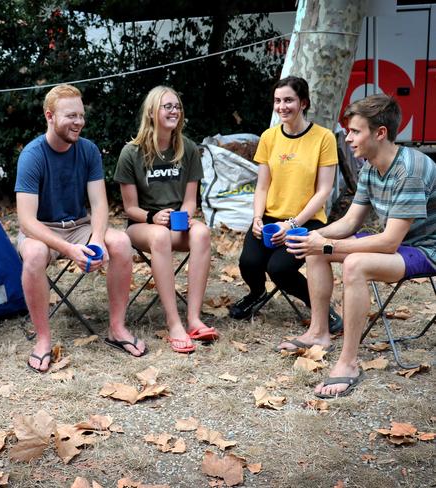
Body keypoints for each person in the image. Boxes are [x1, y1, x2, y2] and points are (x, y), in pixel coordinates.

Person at [284, 94, 436, 398]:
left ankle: (348, 362)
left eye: (355, 131)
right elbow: (351, 221)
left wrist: (328, 247)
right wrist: (313, 236)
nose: (348, 138)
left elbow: (391, 241)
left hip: (425, 249)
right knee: (318, 245)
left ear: (380, 133)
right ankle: (319, 332)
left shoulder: (410, 171)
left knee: (353, 263)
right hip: (397, 243)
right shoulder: (369, 167)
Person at [15, 84, 147, 372]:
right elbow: (26, 220)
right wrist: (68, 249)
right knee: (35, 254)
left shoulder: (88, 151)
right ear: (50, 116)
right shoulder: (32, 155)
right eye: (70, 116)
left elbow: (99, 205)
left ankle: (116, 328)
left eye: (81, 116)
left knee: (121, 243)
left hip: (79, 226)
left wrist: (97, 242)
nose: (78, 122)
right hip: (42, 229)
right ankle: (43, 340)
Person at [229, 76, 342, 333]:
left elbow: (323, 190)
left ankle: (321, 309)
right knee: (249, 262)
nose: (282, 106)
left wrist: (292, 224)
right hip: (270, 218)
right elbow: (262, 186)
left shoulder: (323, 138)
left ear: (303, 103)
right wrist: (257, 218)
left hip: (305, 222)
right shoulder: (269, 137)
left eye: (289, 100)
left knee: (279, 269)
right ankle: (256, 293)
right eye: (277, 101)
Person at [114, 85, 216, 354]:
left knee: (202, 232)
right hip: (142, 226)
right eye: (167, 106)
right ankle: (174, 323)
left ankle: (193, 318)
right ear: (152, 112)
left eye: (177, 107)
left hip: (176, 225)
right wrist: (153, 216)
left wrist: (184, 215)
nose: (175, 111)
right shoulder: (131, 153)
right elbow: (130, 208)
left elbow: (191, 199)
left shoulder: (188, 149)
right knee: (158, 235)